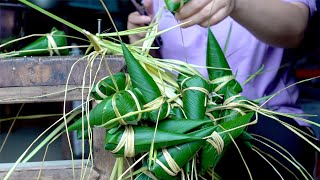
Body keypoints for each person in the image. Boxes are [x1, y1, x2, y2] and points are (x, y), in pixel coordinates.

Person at [128, 0, 318, 179]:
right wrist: (142, 44)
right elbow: (158, 64)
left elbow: (295, 27)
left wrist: (235, 4)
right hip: (180, 122)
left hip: (264, 115)